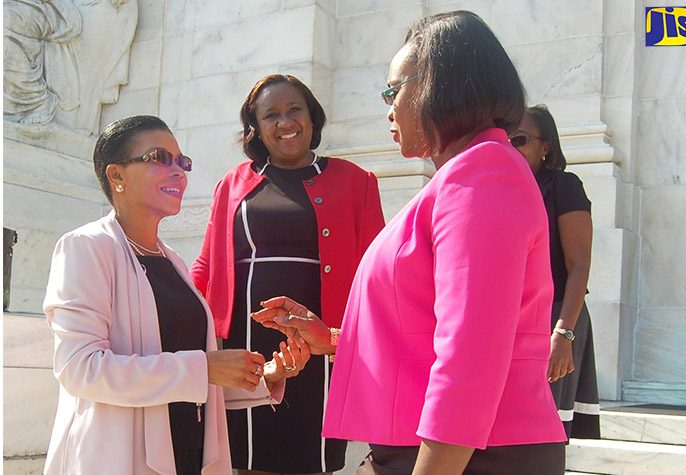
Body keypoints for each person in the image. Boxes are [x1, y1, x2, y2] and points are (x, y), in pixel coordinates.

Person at [252, 10, 569, 475]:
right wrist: (335, 340)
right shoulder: (466, 175)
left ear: (439, 85)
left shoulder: (484, 174)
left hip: (473, 454)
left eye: (392, 90)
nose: (388, 108)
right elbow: (431, 327)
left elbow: (471, 354)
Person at [43, 115, 309, 475]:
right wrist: (205, 366)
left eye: (182, 162)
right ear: (116, 175)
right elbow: (81, 369)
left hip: (188, 455)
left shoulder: (173, 261)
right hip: (118, 458)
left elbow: (193, 380)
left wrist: (262, 376)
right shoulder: (86, 247)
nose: (179, 172)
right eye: (159, 158)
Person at [190, 75, 385, 474]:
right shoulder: (232, 183)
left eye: (294, 109)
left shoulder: (356, 181)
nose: (285, 122)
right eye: (271, 115)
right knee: (244, 454)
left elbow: (377, 270)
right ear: (256, 128)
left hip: (320, 340)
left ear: (312, 116)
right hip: (246, 339)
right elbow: (207, 265)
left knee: (310, 458)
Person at [510, 104, 601, 439]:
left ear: (545, 145)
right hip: (514, 320)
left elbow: (579, 266)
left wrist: (564, 335)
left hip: (556, 319)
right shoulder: (505, 192)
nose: (509, 148)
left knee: (544, 431)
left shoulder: (564, 186)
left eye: (518, 140)